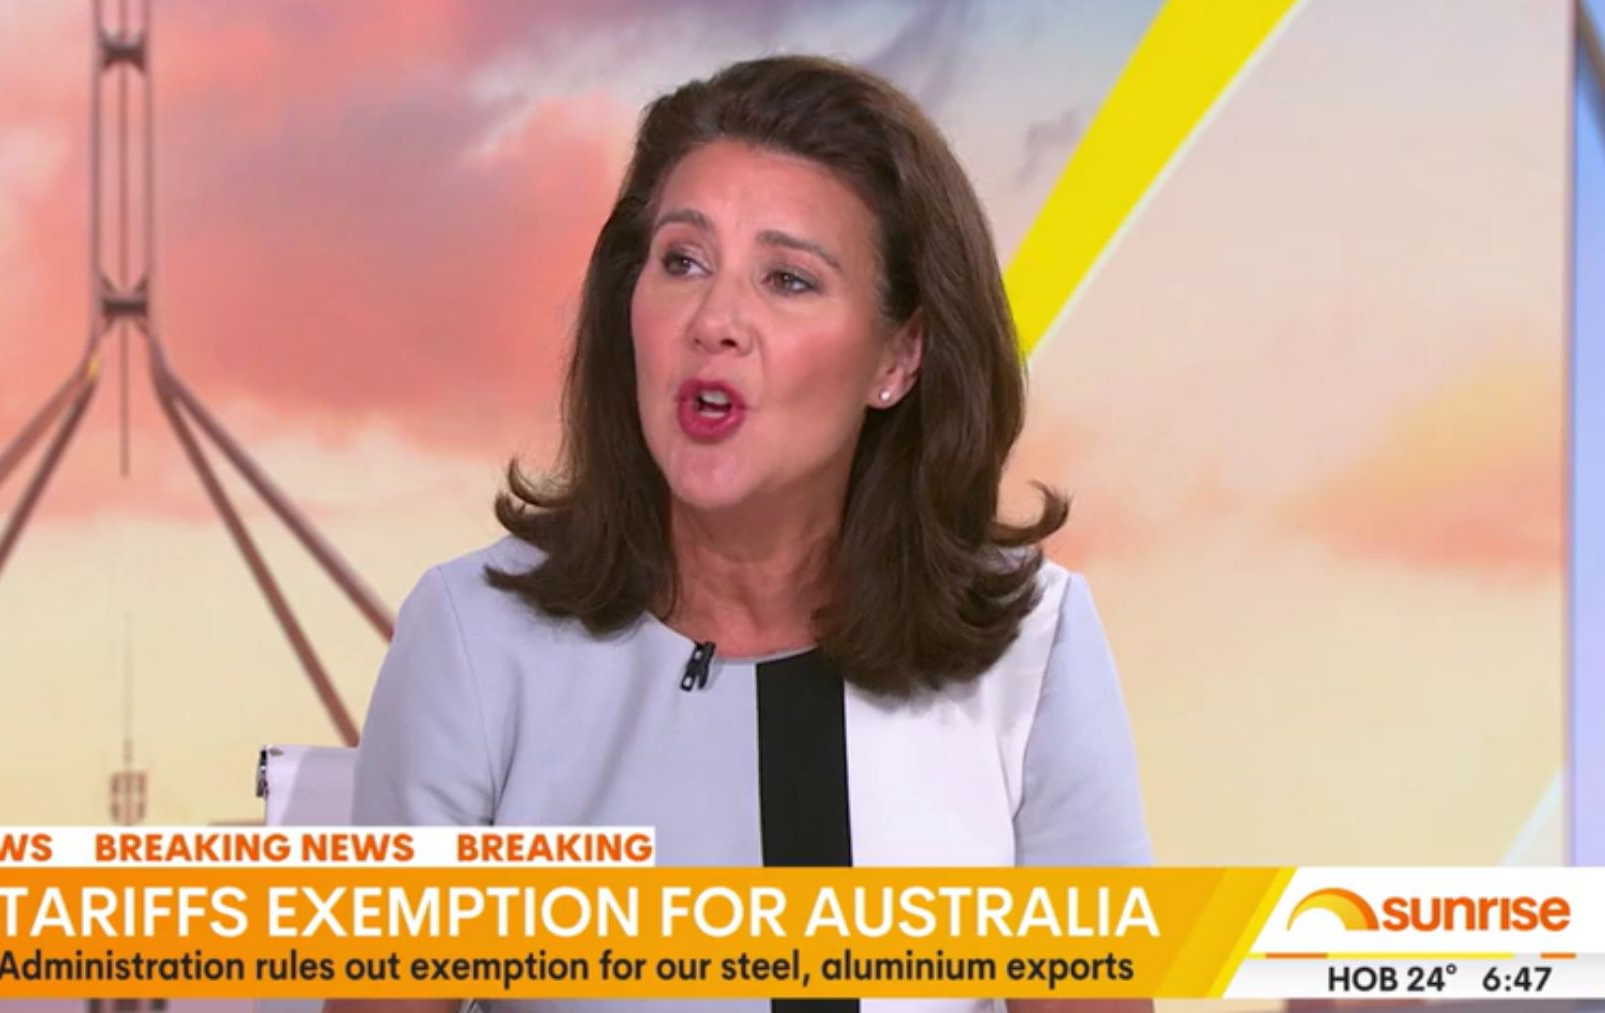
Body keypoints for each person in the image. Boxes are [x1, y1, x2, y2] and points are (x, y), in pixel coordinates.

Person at [329, 54, 1151, 1013]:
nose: (715, 320)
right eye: (682, 261)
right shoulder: (475, 640)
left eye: (787, 279)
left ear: (897, 356)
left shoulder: (1031, 649)